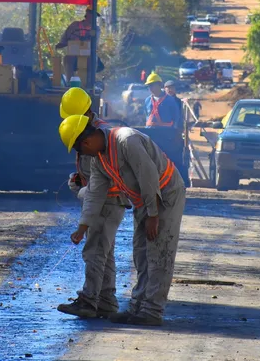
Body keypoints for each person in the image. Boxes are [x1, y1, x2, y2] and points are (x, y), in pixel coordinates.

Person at [60, 115, 186, 326]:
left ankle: (152, 312)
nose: (81, 155)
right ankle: (138, 308)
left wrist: (153, 215)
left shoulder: (126, 140)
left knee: (158, 252)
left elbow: (149, 177)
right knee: (141, 253)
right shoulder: (100, 159)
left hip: (166, 195)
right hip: (144, 202)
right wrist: (83, 228)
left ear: (87, 142)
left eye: (79, 150)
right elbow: (94, 194)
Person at [56, 87, 128, 320]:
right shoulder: (98, 132)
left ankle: (88, 301)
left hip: (105, 200)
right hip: (108, 200)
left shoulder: (95, 135)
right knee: (104, 253)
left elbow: (101, 183)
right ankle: (106, 301)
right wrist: (80, 181)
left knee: (95, 251)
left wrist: (82, 192)